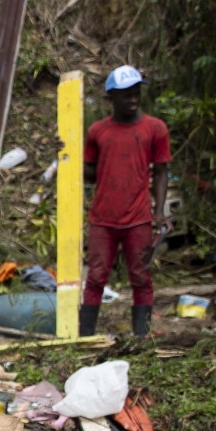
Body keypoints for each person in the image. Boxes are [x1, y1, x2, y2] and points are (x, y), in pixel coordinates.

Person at [81, 65, 171, 338]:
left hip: (138, 217)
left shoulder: (154, 129)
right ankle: (85, 336)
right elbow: (90, 173)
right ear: (111, 99)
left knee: (141, 277)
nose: (132, 100)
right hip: (103, 218)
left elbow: (162, 171)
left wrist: (160, 211)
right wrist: (67, 153)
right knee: (96, 277)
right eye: (126, 96)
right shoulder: (98, 131)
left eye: (136, 94)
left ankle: (141, 338)